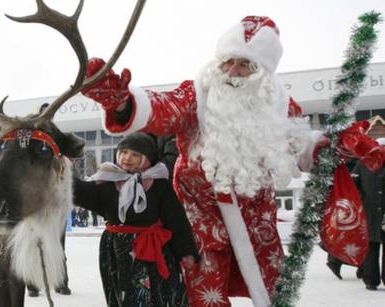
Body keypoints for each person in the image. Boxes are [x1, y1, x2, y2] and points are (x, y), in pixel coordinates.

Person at [82, 16, 325, 307]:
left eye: (245, 64)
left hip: (256, 220)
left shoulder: (278, 105)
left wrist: (327, 149)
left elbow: (302, 147)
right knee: (204, 297)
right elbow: (162, 108)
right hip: (198, 219)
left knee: (276, 291)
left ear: (262, 73)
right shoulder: (195, 95)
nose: (233, 71)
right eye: (228, 61)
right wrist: (121, 102)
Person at [73, 132, 199, 307]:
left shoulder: (158, 183)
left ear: (147, 159)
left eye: (135, 155)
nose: (127, 158)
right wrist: (58, 171)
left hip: (151, 251)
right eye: (123, 152)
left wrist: (186, 251)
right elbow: (78, 192)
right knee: (122, 297)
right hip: (117, 252)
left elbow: (176, 219)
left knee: (154, 297)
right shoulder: (106, 181)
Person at [351, 137, 385, 291]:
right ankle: (370, 279)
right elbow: (353, 183)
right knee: (371, 246)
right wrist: (361, 198)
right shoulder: (363, 163)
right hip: (370, 211)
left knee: (372, 246)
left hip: (375, 212)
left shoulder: (362, 163)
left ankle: (371, 279)